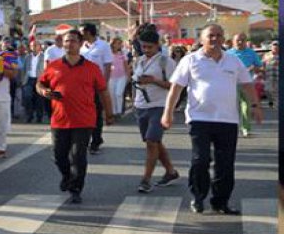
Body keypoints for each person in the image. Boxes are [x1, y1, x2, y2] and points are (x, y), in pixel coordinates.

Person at [162, 24, 262, 215]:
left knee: (225, 164)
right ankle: (198, 198)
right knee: (200, 160)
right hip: (199, 118)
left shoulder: (232, 61)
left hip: (228, 120)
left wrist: (255, 106)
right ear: (202, 39)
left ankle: (220, 201)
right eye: (210, 36)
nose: (214, 39)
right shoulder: (190, 60)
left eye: (218, 35)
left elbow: (247, 84)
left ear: (223, 38)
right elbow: (176, 88)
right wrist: (168, 112)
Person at [37, 29, 114, 204]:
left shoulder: (92, 68)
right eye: (66, 41)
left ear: (80, 44)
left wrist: (109, 114)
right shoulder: (54, 65)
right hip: (59, 119)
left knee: (78, 156)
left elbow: (103, 92)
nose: (68, 44)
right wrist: (43, 91)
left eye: (72, 41)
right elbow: (40, 83)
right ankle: (66, 176)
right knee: (59, 155)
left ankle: (76, 188)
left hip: (84, 119)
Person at [131, 30, 179, 193]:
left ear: (157, 45)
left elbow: (175, 85)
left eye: (149, 47)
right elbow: (135, 81)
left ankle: (146, 179)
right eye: (143, 46)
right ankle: (171, 171)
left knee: (152, 142)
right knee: (154, 142)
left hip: (159, 106)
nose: (146, 50)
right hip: (141, 106)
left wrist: (154, 81)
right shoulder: (139, 61)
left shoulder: (166, 62)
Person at [79, 23, 113, 154]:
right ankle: (84, 139)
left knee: (96, 114)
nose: (81, 35)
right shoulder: (81, 47)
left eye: (82, 32)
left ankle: (96, 140)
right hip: (82, 86)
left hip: (96, 85)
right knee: (83, 113)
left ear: (89, 32)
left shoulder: (103, 46)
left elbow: (107, 66)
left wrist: (103, 85)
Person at [226, 33, 263, 137]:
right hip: (231, 84)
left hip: (247, 84)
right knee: (231, 107)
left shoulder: (251, 53)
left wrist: (253, 68)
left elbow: (259, 66)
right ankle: (231, 128)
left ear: (246, 41)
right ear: (233, 42)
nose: (240, 42)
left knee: (246, 107)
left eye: (242, 40)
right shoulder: (228, 54)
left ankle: (245, 129)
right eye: (237, 40)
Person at [0, 33, 17, 159]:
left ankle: (0, 147)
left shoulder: (7, 57)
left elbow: (13, 74)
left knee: (1, 125)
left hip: (2, 96)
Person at [21, 40, 45, 123]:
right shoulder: (27, 57)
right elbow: (23, 69)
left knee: (39, 99)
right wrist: (23, 80)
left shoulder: (44, 56)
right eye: (32, 46)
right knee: (27, 97)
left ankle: (39, 117)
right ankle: (29, 115)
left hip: (39, 80)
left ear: (39, 47)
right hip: (29, 79)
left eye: (35, 45)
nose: (33, 47)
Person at [109, 38, 130, 117]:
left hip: (122, 76)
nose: (119, 45)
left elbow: (126, 65)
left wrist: (128, 76)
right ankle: (114, 111)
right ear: (113, 44)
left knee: (118, 93)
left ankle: (119, 111)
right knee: (112, 94)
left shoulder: (122, 53)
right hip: (111, 77)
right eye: (118, 43)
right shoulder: (108, 53)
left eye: (120, 43)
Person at [263, 41, 278, 109]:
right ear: (271, 47)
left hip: (278, 76)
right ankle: (271, 101)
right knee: (267, 90)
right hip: (268, 76)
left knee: (277, 91)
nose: (275, 47)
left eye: (277, 45)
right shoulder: (267, 55)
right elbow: (263, 64)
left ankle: (276, 105)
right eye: (274, 45)